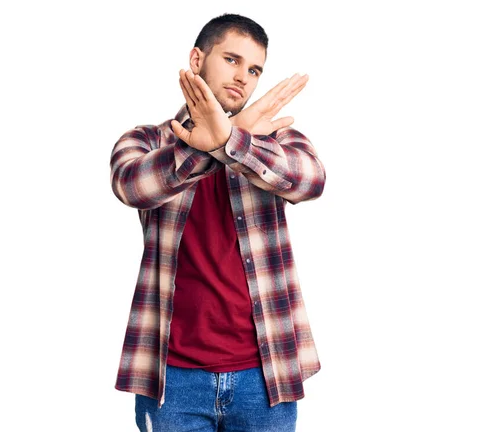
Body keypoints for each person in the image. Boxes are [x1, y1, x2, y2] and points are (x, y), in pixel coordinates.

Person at [110, 13, 326, 431]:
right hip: (173, 377)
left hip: (265, 374)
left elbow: (311, 180)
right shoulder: (147, 141)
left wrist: (234, 141)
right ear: (197, 60)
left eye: (254, 69)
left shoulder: (274, 140)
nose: (243, 76)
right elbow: (132, 186)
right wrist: (214, 146)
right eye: (231, 59)